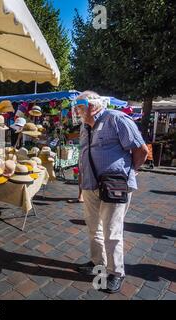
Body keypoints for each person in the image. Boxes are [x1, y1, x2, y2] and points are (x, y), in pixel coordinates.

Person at [73, 91, 148, 293]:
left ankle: (116, 272)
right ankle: (97, 262)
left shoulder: (116, 119)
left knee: (112, 231)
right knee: (93, 227)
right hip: (90, 186)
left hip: (114, 186)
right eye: (77, 106)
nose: (78, 110)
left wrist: (129, 173)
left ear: (94, 105)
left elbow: (141, 150)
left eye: (81, 106)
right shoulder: (84, 126)